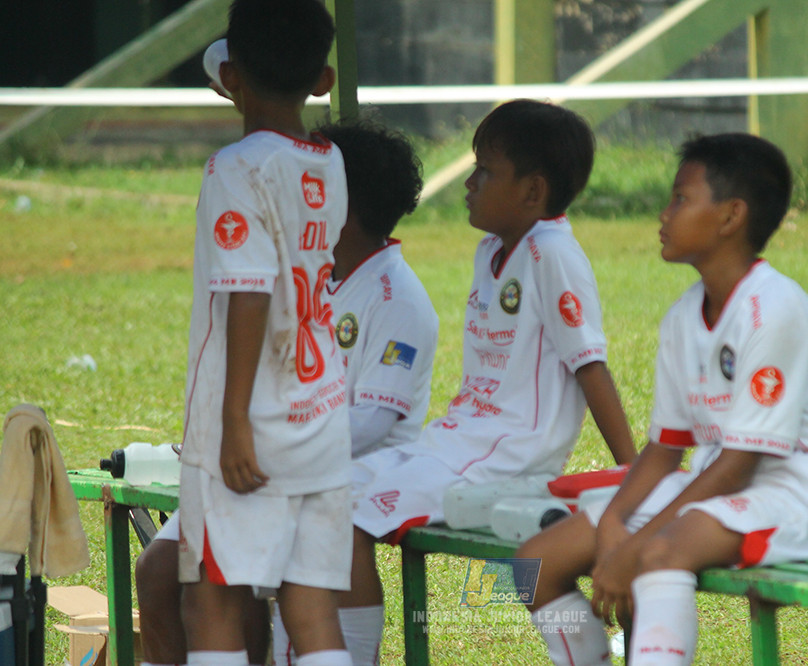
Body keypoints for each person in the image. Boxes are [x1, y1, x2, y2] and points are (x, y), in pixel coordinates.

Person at [517, 132, 808, 666]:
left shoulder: (773, 310)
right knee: (532, 564)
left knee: (659, 553)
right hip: (708, 483)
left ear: (730, 216)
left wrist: (632, 545)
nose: (664, 213)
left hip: (794, 493)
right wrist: (613, 523)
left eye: (681, 198)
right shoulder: (683, 315)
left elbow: (740, 466)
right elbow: (663, 450)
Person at [339, 99, 638, 665]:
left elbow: (589, 366)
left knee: (345, 514)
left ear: (533, 191)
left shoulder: (552, 255)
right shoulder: (490, 252)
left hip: (505, 457)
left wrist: (634, 475)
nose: (470, 183)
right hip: (456, 441)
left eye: (485, 170)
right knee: (327, 493)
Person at [136, 116, 437, 666]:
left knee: (282, 580)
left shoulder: (399, 298)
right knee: (158, 571)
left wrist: (267, 448)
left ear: (338, 204)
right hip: (261, 453)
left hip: (350, 468)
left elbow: (374, 422)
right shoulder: (313, 271)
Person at [175, 0, 353, 664]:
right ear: (324, 81)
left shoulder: (237, 168)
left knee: (213, 601)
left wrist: (233, 423)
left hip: (255, 425)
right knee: (310, 607)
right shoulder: (329, 162)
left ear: (233, 76)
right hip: (321, 416)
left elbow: (248, 298)